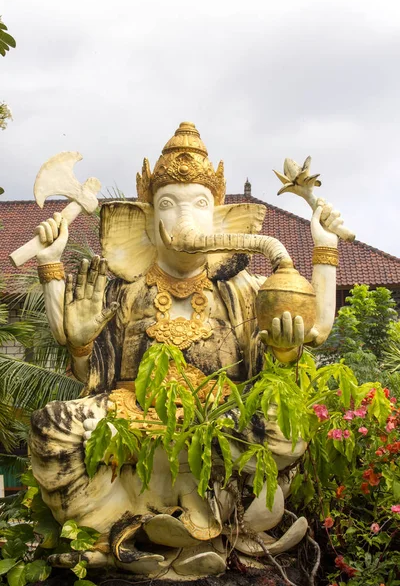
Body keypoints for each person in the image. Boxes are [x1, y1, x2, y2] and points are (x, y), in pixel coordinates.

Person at [30, 122, 342, 578]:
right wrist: (76, 328)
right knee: (51, 427)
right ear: (147, 222)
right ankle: (110, 531)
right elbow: (87, 374)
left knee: (284, 423)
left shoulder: (241, 289)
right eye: (167, 205)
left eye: (198, 204)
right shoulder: (123, 290)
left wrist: (324, 250)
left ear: (219, 219)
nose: (183, 219)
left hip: (218, 417)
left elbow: (308, 332)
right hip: (129, 412)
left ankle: (227, 525)